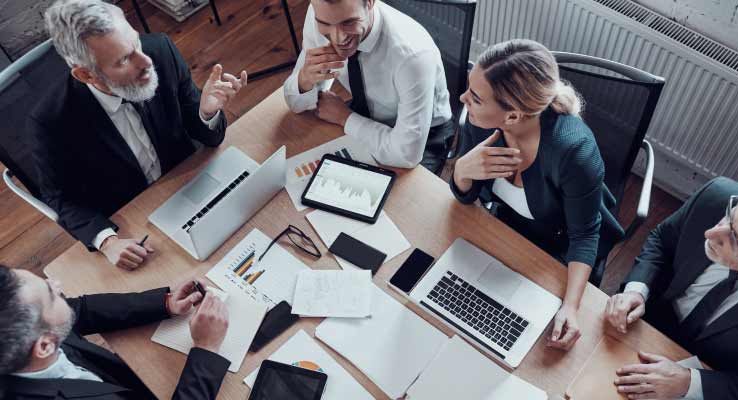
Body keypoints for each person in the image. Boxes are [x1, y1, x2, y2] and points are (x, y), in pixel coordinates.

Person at [32, 0, 247, 269]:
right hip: (135, 221)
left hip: (188, 184)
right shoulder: (51, 121)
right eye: (123, 59)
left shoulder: (160, 50)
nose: (146, 62)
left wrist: (206, 113)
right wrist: (108, 242)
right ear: (86, 74)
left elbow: (206, 136)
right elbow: (60, 197)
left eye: (136, 43)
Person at [451, 39, 624, 351]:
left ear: (513, 116)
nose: (463, 99)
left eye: (475, 98)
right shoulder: (482, 121)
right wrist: (463, 169)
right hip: (506, 233)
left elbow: (585, 235)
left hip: (558, 253)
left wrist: (570, 307)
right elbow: (465, 197)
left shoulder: (574, 150)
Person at [604, 176, 738, 400]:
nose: (712, 234)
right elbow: (663, 240)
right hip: (641, 325)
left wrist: (690, 383)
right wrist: (636, 290)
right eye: (732, 214)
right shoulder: (716, 195)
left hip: (710, 374)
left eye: (737, 241)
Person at [0, 265, 230, 399]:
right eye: (51, 295)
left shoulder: (27, 337)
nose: (56, 284)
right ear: (45, 346)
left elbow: (82, 310)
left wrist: (165, 303)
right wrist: (206, 349)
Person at [283, 0, 454, 173]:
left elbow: (406, 154)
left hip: (425, 135)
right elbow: (296, 104)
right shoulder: (318, 15)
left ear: (370, 2)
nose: (338, 38)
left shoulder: (412, 56)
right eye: (325, 24)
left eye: (348, 22)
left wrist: (344, 117)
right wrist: (305, 79)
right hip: (365, 112)